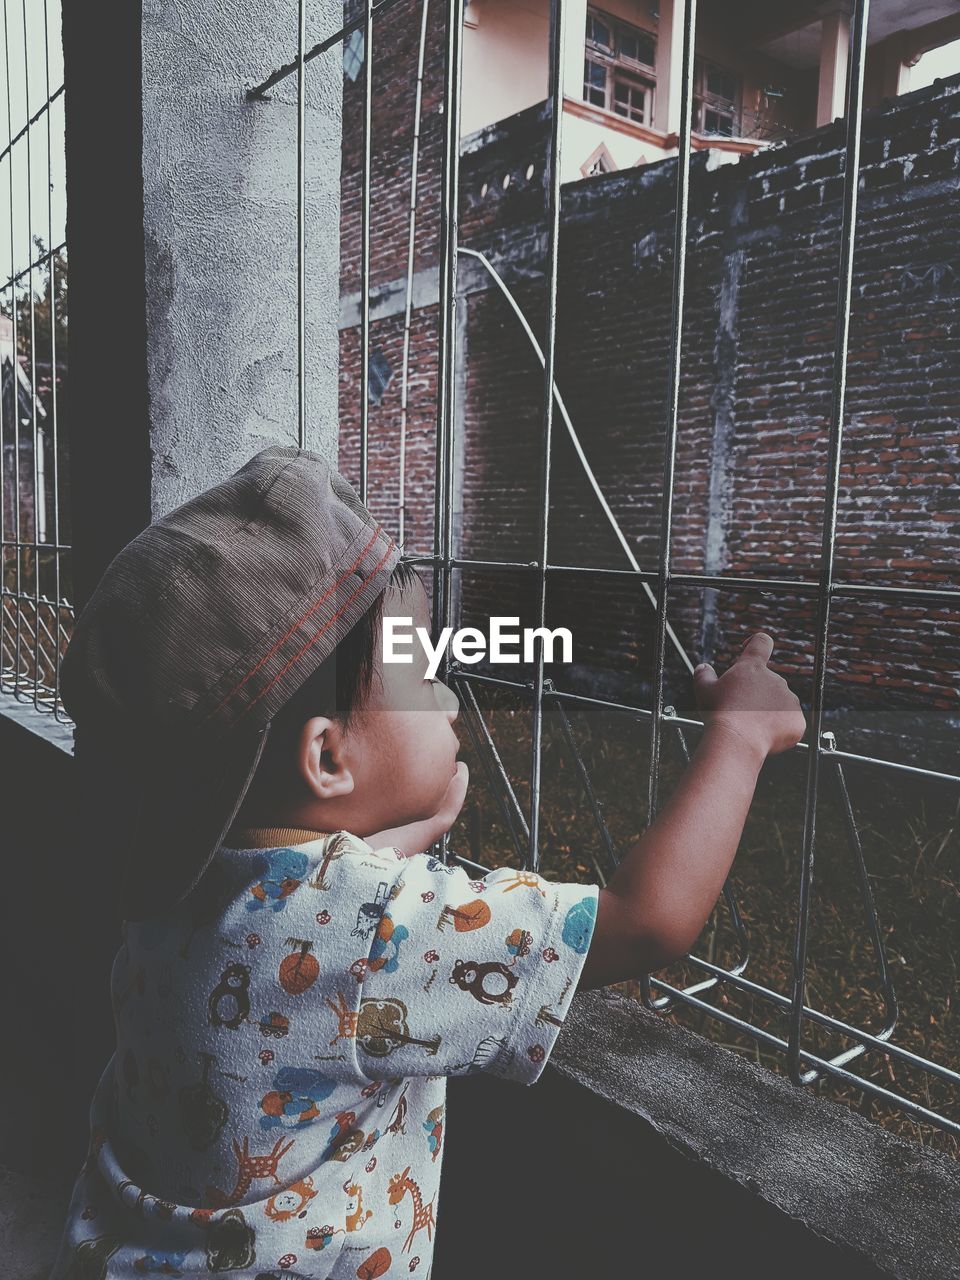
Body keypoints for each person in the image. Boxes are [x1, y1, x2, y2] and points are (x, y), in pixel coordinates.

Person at [50, 445, 805, 1279]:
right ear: (328, 759)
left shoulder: (165, 886)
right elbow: (648, 919)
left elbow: (286, 931)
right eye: (422, 671)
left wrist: (388, 843)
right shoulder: (380, 935)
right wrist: (740, 736)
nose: (450, 690)